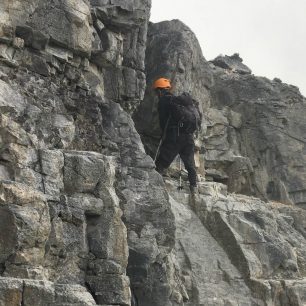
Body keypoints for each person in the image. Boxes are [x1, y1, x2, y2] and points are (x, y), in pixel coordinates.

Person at [153, 77, 201, 193]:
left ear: (159, 90)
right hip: (189, 137)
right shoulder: (179, 102)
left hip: (175, 136)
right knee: (190, 164)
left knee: (162, 161)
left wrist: (164, 134)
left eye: (156, 92)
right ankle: (194, 188)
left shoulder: (164, 101)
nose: (156, 94)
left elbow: (163, 120)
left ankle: (153, 184)